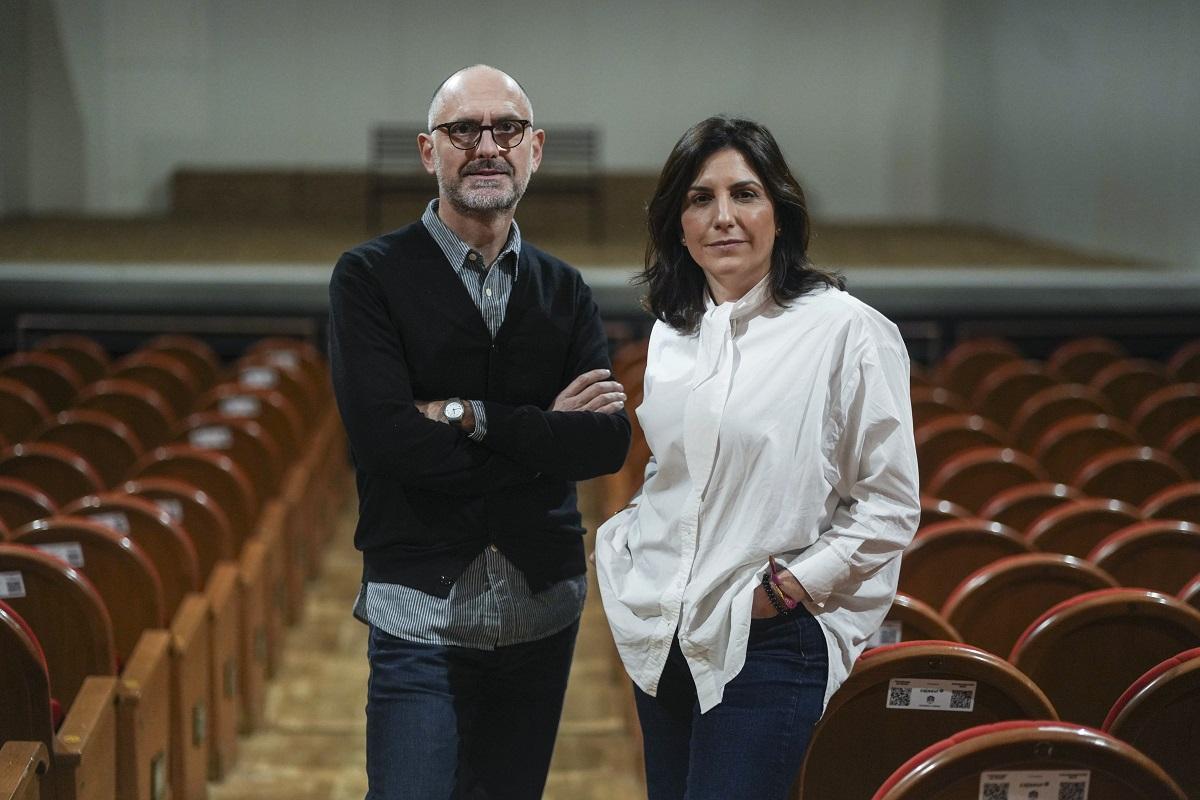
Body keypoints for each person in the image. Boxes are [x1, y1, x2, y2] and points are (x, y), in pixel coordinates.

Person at [328, 64, 631, 800]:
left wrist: (469, 417)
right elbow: (386, 444)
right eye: (464, 129)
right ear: (431, 152)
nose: (486, 144)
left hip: (541, 617)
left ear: (535, 150)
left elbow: (604, 444)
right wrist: (543, 438)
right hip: (419, 617)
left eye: (507, 129)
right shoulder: (368, 278)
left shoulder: (565, 289)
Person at [594, 116, 920, 799]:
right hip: (663, 633)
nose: (723, 217)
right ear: (677, 226)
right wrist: (628, 546)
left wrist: (785, 592)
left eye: (744, 194)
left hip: (767, 643)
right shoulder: (674, 334)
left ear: (780, 211)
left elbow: (889, 506)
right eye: (699, 199)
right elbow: (670, 469)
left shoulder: (848, 332)